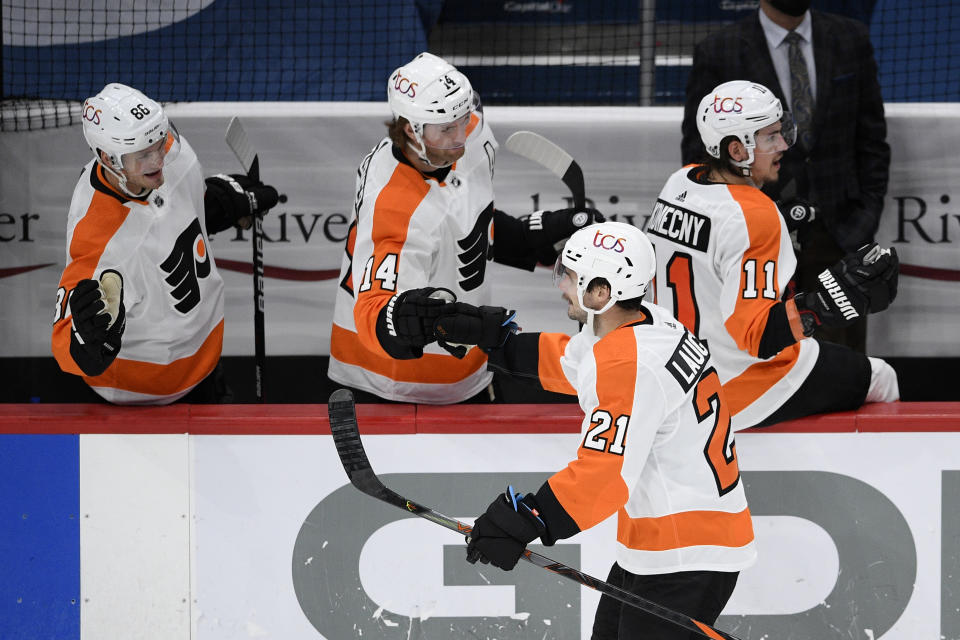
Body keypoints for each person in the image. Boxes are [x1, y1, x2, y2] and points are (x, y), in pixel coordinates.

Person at [458, 221, 755, 639]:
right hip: (667, 542)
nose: (561, 284)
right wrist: (495, 342)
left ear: (601, 292)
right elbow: (577, 364)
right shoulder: (649, 323)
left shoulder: (627, 362)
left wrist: (531, 517)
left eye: (571, 277)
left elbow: (605, 473)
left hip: (686, 555)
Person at [328, 52, 601, 404]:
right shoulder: (394, 206)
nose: (462, 134)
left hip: (467, 373)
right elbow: (375, 316)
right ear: (411, 129)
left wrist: (528, 237)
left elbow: (460, 218)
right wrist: (443, 322)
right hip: (389, 383)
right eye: (447, 128)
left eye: (464, 118)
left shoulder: (466, 134)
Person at [647, 80, 898, 431]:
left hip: (673, 374)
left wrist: (772, 220)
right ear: (737, 151)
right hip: (734, 386)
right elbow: (758, 337)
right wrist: (821, 305)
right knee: (882, 376)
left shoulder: (680, 182)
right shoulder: (756, 216)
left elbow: (714, 242)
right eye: (769, 138)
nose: (783, 146)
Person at [681, 0, 890, 353]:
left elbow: (872, 141)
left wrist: (862, 222)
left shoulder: (849, 38)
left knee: (843, 367)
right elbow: (699, 153)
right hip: (754, 242)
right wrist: (740, 225)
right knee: (762, 357)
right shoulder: (720, 50)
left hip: (838, 231)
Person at [51, 83, 279, 404]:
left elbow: (178, 214)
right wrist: (84, 345)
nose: (158, 159)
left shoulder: (172, 152)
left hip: (205, 368)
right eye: (144, 154)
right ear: (108, 158)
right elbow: (65, 336)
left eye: (159, 142)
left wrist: (219, 204)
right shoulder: (101, 237)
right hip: (140, 398)